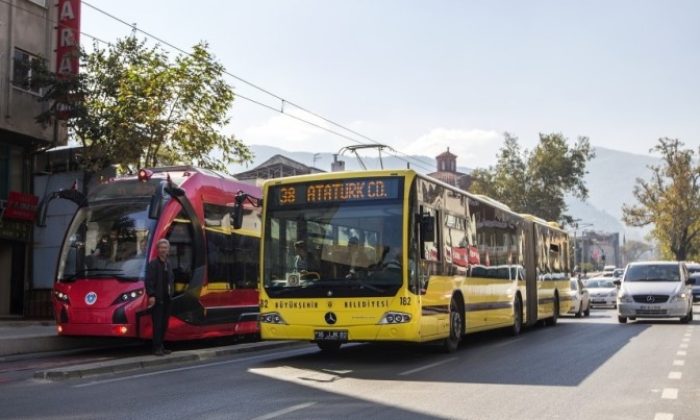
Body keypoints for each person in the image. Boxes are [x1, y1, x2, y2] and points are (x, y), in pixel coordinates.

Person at [145, 238, 174, 356]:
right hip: (157, 298)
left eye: (165, 248)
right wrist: (151, 295)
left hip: (167, 298)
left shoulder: (168, 263)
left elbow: (171, 279)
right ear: (157, 250)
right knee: (157, 324)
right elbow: (149, 281)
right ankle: (156, 347)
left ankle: (161, 346)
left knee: (164, 324)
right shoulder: (153, 264)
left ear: (168, 250)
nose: (163, 250)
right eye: (161, 248)